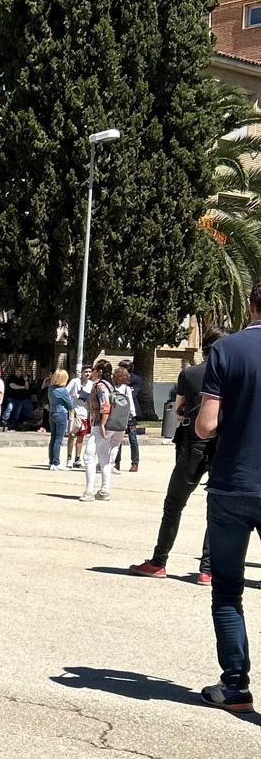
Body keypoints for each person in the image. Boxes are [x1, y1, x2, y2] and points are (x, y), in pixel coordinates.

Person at [195, 285, 261, 709]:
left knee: (227, 590)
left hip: (232, 483)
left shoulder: (227, 350)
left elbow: (205, 425)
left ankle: (235, 685)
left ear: (252, 304)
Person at [130, 330, 224, 584]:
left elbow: (180, 406)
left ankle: (159, 561)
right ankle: (208, 568)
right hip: (223, 446)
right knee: (216, 507)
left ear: (204, 349)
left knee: (174, 504)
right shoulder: (233, 375)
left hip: (193, 444)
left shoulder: (190, 374)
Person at [81, 361, 131, 502]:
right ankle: (104, 490)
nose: (92, 373)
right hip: (110, 426)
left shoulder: (101, 385)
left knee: (89, 456)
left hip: (100, 425)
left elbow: (105, 405)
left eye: (94, 370)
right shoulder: (110, 385)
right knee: (104, 457)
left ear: (100, 372)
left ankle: (89, 491)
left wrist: (102, 424)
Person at [114, 360, 144, 473]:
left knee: (133, 439)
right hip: (118, 414)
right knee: (117, 439)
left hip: (129, 415)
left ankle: (135, 463)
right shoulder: (114, 384)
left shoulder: (134, 381)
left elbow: (131, 399)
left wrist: (131, 415)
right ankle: (116, 462)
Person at [46, 369, 75, 470]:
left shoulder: (50, 389)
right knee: (59, 439)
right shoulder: (63, 390)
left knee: (53, 438)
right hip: (61, 414)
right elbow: (70, 404)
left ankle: (51, 462)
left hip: (52, 413)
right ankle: (56, 462)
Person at [68, 365, 93, 468]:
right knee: (72, 435)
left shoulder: (91, 384)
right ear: (81, 373)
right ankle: (69, 458)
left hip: (84, 413)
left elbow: (91, 398)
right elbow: (66, 392)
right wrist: (71, 402)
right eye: (86, 371)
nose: (87, 374)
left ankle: (77, 459)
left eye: (89, 372)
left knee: (81, 436)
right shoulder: (75, 382)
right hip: (74, 412)